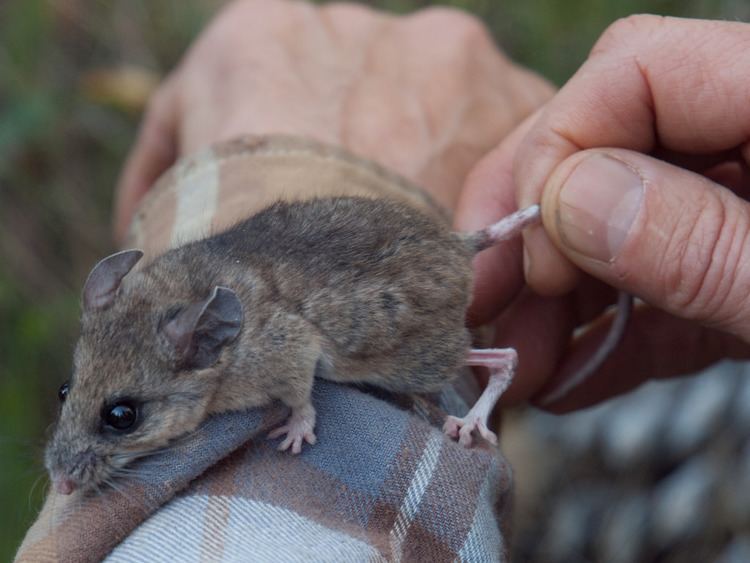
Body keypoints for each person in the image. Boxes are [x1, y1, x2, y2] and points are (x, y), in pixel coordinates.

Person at [16, 1, 750, 560]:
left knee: (412, 354)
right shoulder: (162, 325)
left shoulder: (230, 348)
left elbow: (292, 349)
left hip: (401, 298)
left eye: (121, 420)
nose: (69, 471)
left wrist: (303, 414)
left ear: (203, 342)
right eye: (75, 403)